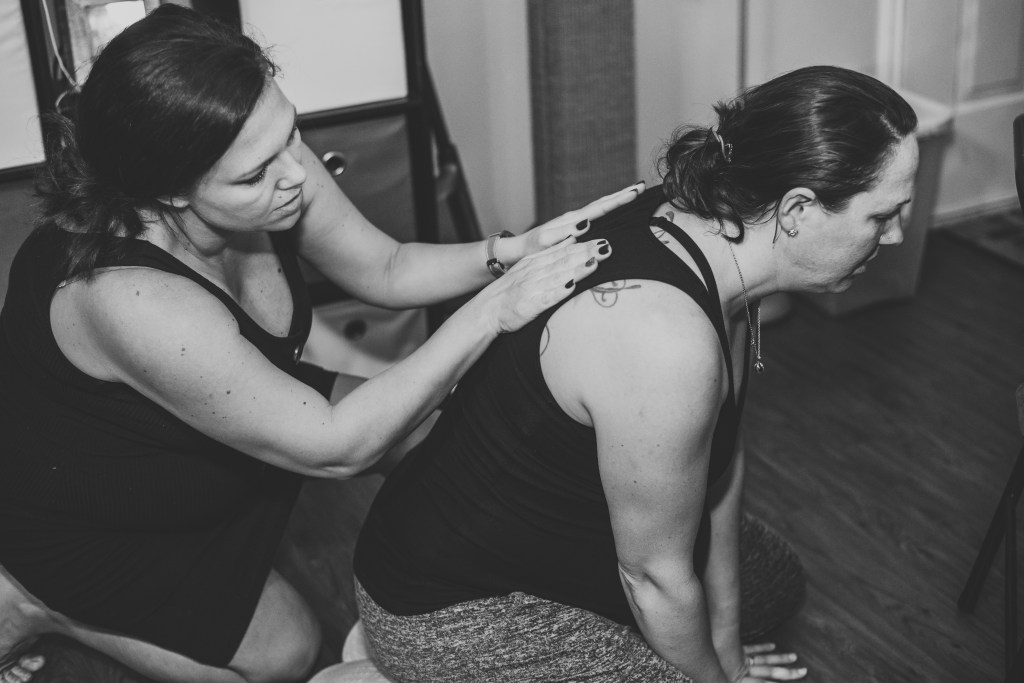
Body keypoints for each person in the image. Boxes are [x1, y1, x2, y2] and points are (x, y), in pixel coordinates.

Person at [0, 5, 643, 682]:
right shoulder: (130, 299)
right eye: (255, 175)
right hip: (96, 511)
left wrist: (511, 251)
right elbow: (337, 446)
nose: (296, 174)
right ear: (168, 190)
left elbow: (386, 267)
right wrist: (496, 309)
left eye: (291, 133)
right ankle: (34, 601)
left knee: (437, 434)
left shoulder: (257, 152)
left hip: (216, 430)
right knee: (287, 653)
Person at [352, 65, 920, 682]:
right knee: (677, 624)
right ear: (798, 210)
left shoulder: (714, 232)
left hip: (580, 545)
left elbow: (722, 461)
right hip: (455, 607)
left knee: (773, 580)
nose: (896, 236)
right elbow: (652, 577)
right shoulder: (663, 338)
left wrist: (726, 650)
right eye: (882, 216)